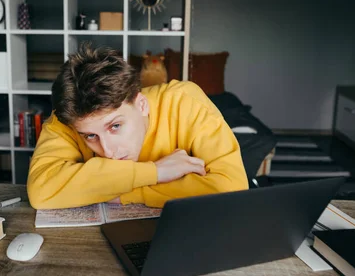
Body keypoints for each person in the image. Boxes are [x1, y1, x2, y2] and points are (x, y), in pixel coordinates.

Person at [27, 44, 248, 209]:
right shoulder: (68, 117)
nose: (108, 151)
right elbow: (41, 192)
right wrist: (157, 172)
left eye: (115, 126)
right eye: (90, 136)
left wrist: (128, 192)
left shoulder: (184, 101)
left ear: (141, 104)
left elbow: (231, 189)